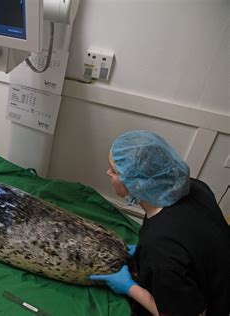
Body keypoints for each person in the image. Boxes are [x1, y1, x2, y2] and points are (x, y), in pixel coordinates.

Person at [89, 130, 230, 316]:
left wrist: (130, 288)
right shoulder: (196, 187)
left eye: (114, 171)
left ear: (134, 183)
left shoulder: (160, 248)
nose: (108, 173)